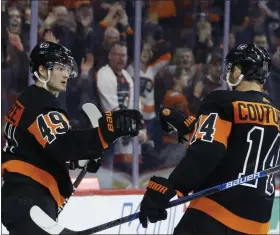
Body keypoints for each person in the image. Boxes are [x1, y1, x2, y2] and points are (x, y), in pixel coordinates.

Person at [1, 41, 143, 235]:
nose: (66, 74)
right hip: (28, 200)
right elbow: (62, 144)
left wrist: (80, 158)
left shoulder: (31, 100)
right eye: (59, 68)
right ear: (42, 70)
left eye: (67, 69)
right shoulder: (42, 104)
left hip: (23, 198)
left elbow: (41, 150)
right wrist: (105, 132)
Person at [139, 44, 279, 235]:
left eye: (231, 67)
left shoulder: (222, 101)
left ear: (238, 70)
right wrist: (195, 128)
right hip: (258, 224)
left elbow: (208, 150)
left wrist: (174, 186)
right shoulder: (276, 114)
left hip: (215, 213)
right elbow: (241, 146)